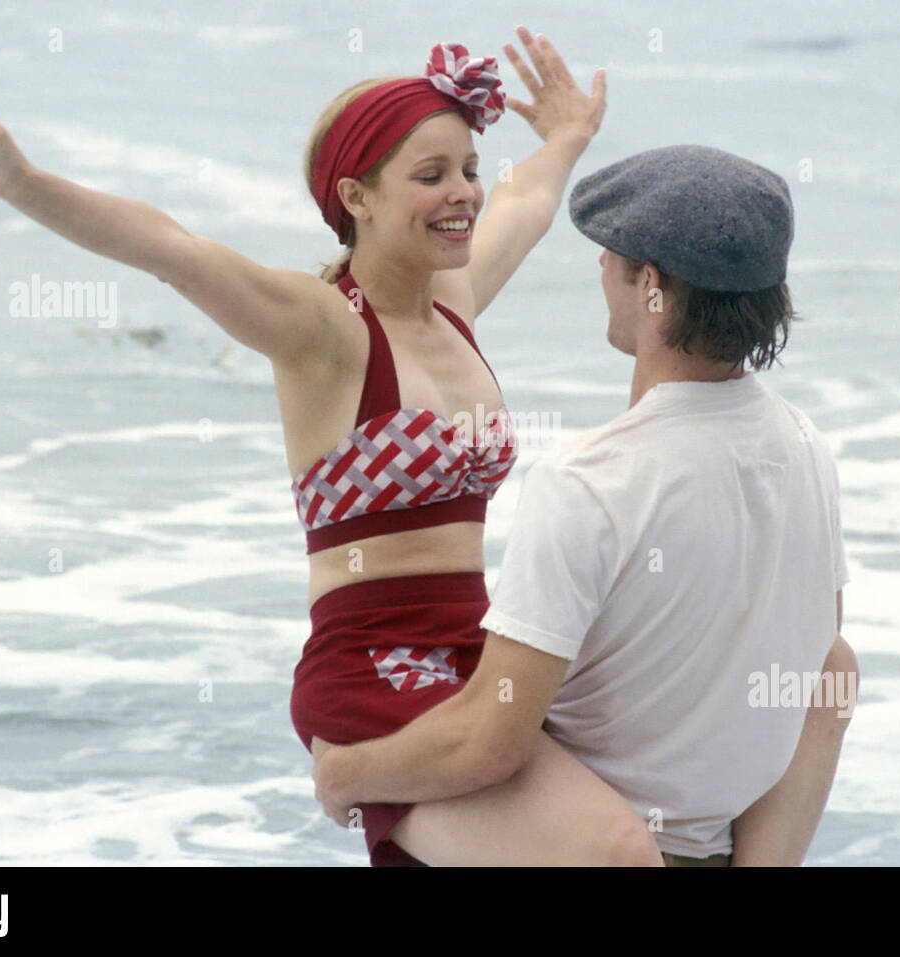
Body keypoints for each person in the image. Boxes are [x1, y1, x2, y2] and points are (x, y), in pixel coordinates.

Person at [0, 30, 685, 867]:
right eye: (431, 175)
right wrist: (21, 182)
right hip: (372, 671)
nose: (463, 192)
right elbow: (172, 250)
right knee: (615, 851)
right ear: (357, 197)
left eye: (468, 168)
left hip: (482, 653)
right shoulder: (324, 329)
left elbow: (526, 201)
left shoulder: (454, 302)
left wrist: (568, 135)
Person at [312, 144, 859, 866]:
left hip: (588, 846)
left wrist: (346, 775)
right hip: (723, 847)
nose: (601, 265)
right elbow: (820, 658)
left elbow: (491, 742)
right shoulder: (808, 448)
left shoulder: (591, 483)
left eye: (613, 254)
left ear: (652, 286)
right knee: (833, 661)